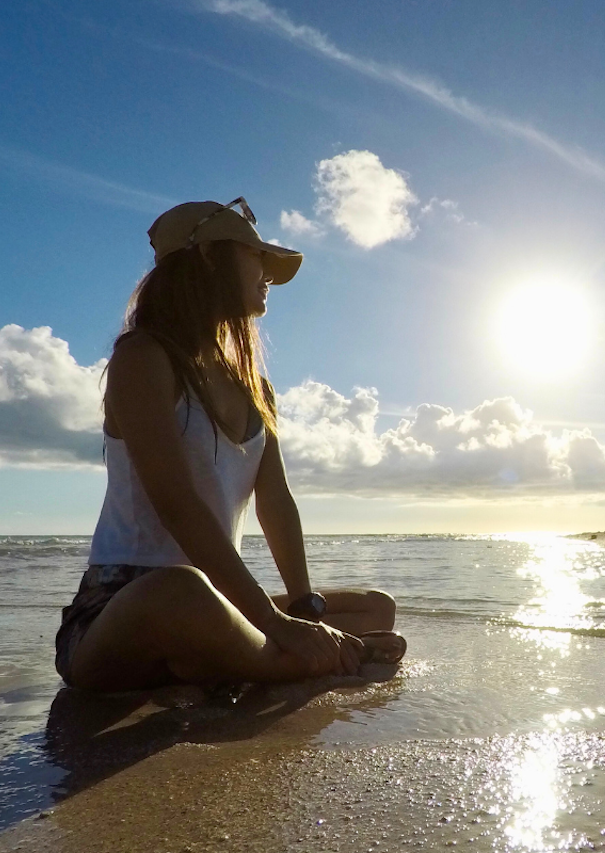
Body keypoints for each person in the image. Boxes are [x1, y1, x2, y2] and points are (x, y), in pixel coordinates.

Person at [55, 198, 405, 692]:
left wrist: (303, 607)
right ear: (206, 259)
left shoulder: (256, 389)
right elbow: (176, 504)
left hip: (219, 602)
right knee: (182, 588)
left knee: (376, 606)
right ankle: (288, 662)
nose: (266, 272)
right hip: (124, 608)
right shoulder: (143, 358)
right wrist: (274, 621)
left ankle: (239, 655)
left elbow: (276, 503)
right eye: (255, 256)